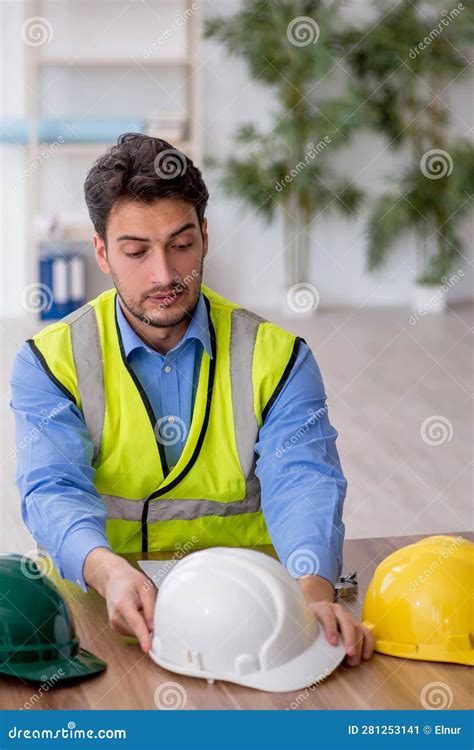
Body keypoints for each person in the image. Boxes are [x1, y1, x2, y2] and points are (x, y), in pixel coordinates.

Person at [10, 134, 373, 668]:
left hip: (256, 620)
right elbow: (52, 488)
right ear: (102, 252)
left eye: (181, 245)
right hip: (110, 614)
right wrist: (108, 570)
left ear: (204, 236)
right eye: (136, 252)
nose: (164, 275)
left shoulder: (277, 357)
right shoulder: (50, 360)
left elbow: (305, 480)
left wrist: (313, 590)